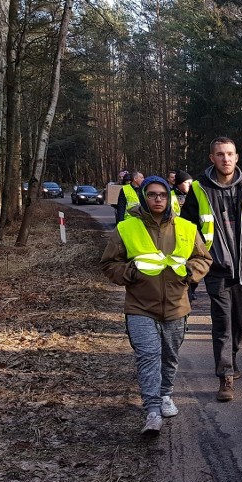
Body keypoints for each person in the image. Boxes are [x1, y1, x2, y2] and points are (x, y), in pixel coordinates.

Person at [100, 175, 212, 435]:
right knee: (148, 355)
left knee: (169, 356)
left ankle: (165, 395)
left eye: (162, 194)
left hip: (176, 305)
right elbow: (109, 265)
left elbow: (202, 259)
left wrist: (188, 273)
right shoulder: (127, 228)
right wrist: (132, 273)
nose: (158, 199)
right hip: (140, 306)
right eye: (152, 194)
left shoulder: (186, 227)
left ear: (168, 197)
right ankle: (151, 410)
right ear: (144, 197)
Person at [180, 137, 242, 401]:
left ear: (237, 157)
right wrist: (202, 256)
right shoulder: (199, 189)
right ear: (212, 158)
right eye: (220, 154)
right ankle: (225, 377)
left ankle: (231, 358)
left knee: (239, 322)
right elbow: (188, 227)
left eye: (230, 154)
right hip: (216, 267)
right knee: (222, 322)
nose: (226, 159)